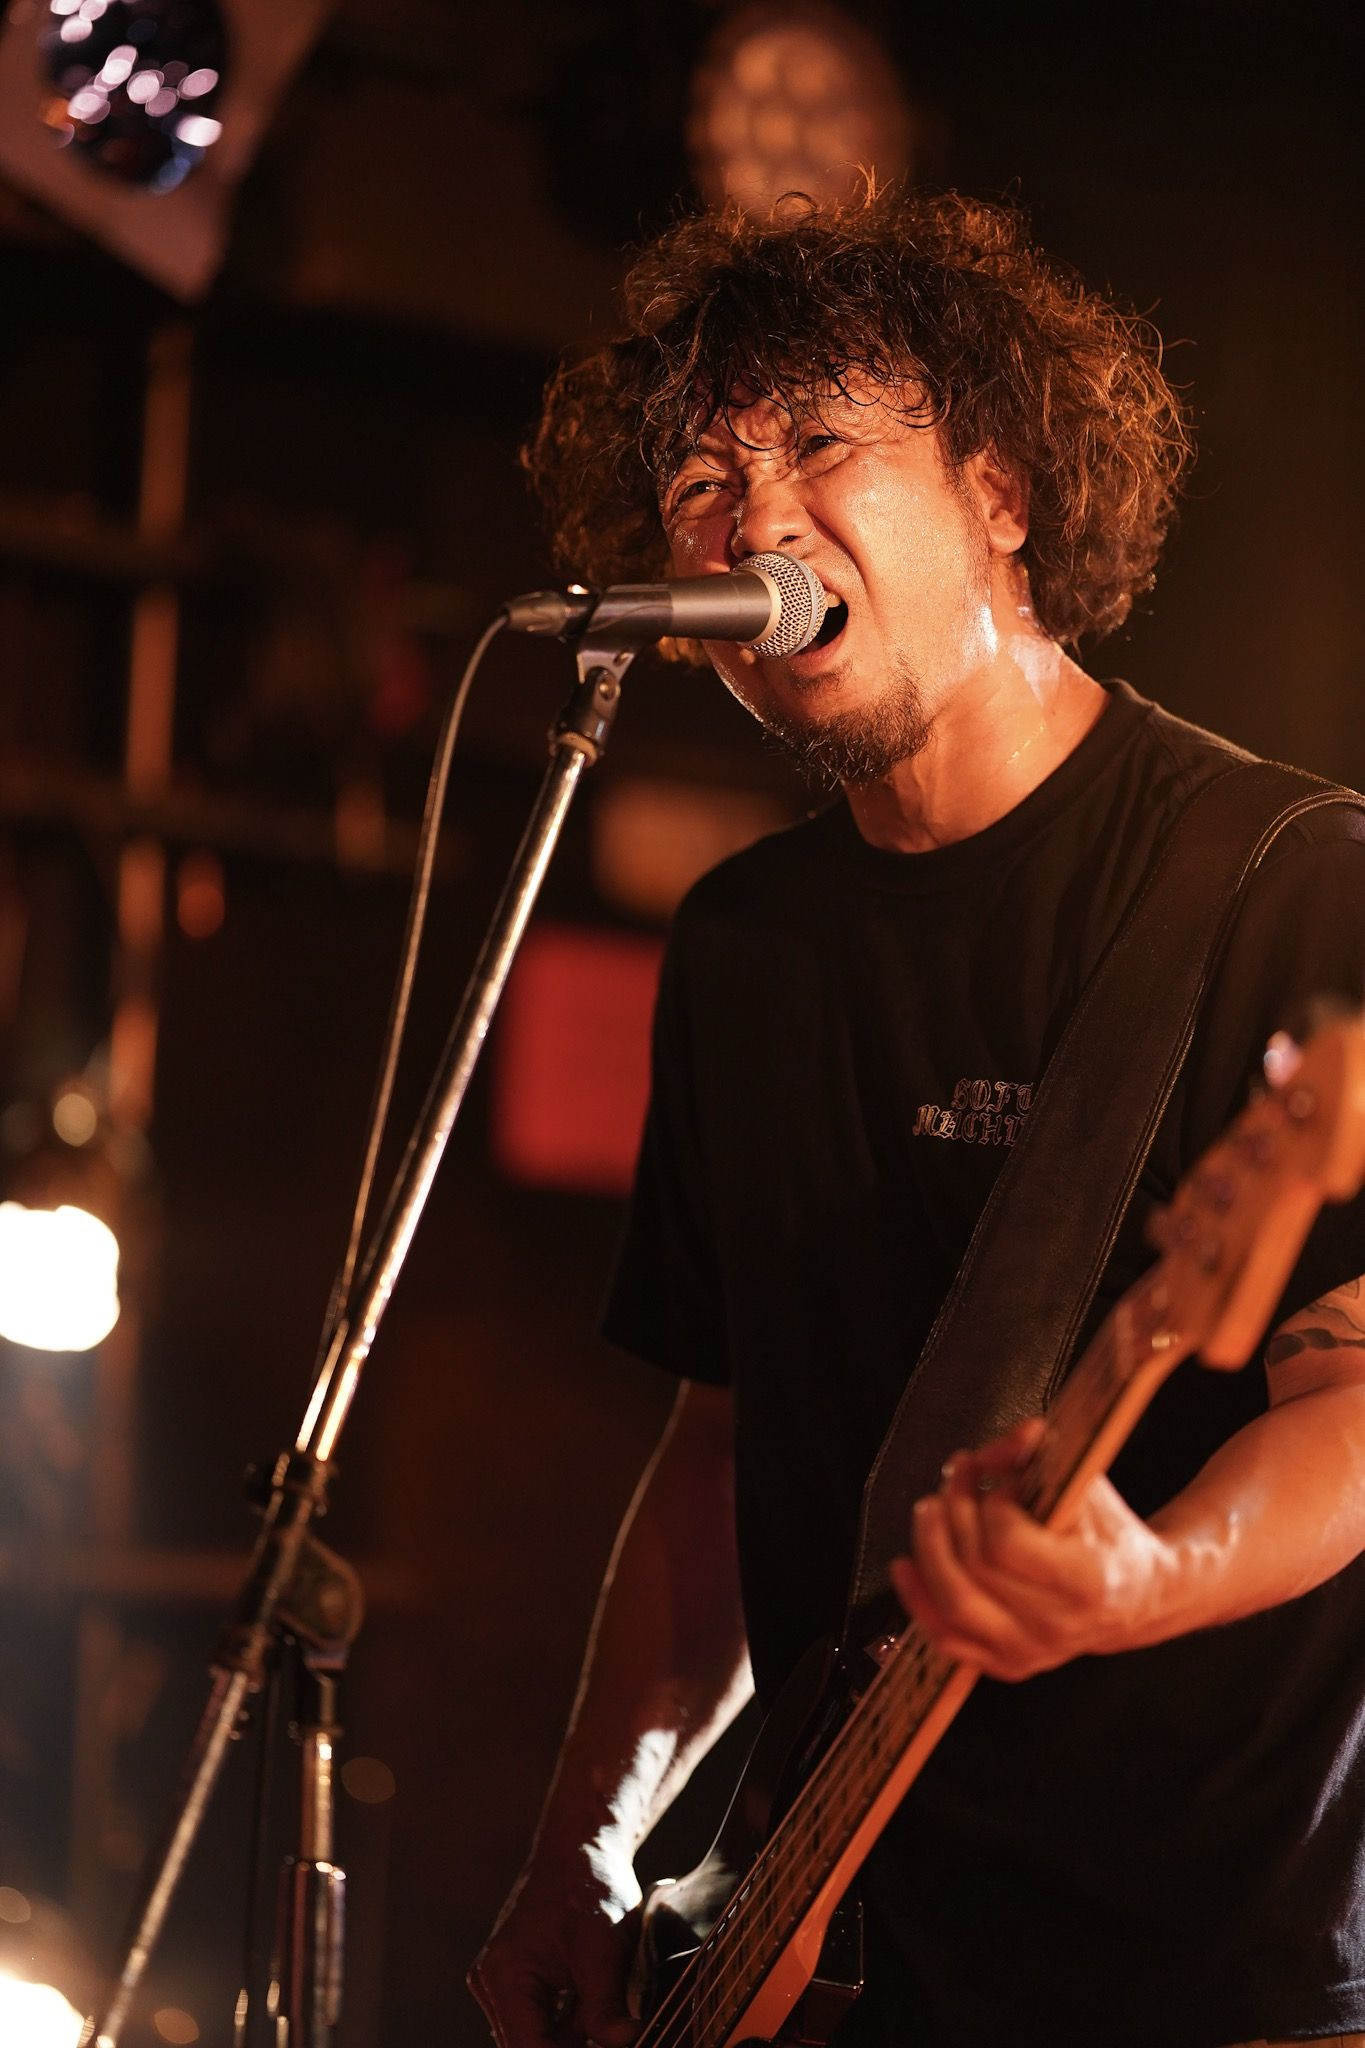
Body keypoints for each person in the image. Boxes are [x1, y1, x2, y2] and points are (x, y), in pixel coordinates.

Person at [469, 188, 1365, 2047]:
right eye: (702, 479)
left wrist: (1145, 1581)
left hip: (1215, 1983)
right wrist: (585, 1847)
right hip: (839, 1961)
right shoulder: (744, 945)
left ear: (1001, 493)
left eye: (818, 445)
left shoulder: (1286, 887)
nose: (752, 522)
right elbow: (721, 1453)